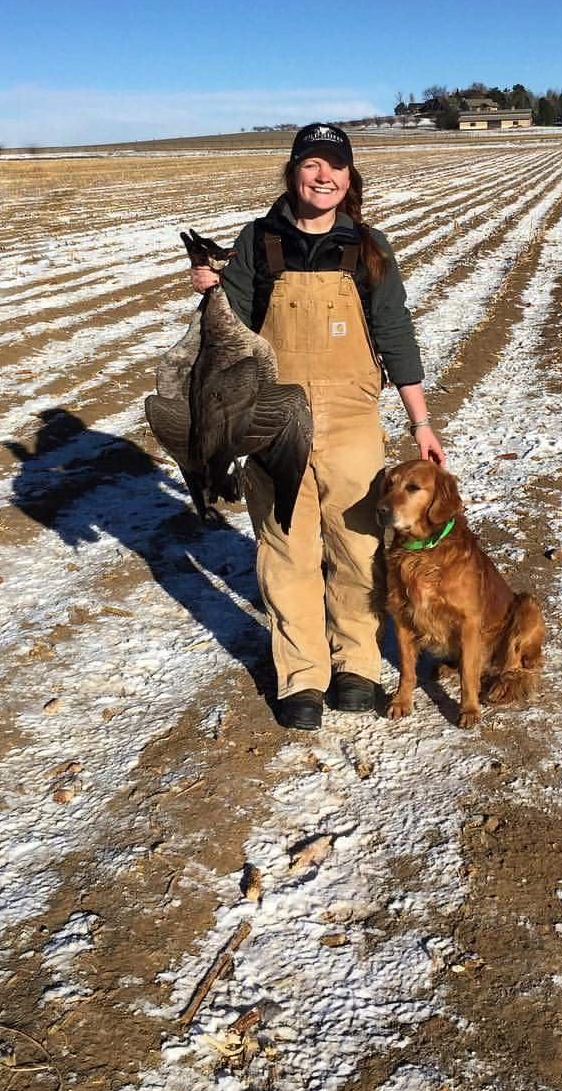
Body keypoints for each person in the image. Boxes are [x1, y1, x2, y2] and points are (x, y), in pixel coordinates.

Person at [190, 123, 444, 730]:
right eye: (311, 165)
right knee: (286, 546)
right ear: (294, 172)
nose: (323, 176)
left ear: (350, 178)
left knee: (358, 543)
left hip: (352, 416)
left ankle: (356, 663)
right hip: (273, 416)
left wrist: (421, 421)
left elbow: (395, 334)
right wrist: (211, 292)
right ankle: (301, 675)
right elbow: (231, 337)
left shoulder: (368, 247)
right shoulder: (259, 241)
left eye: (335, 166)